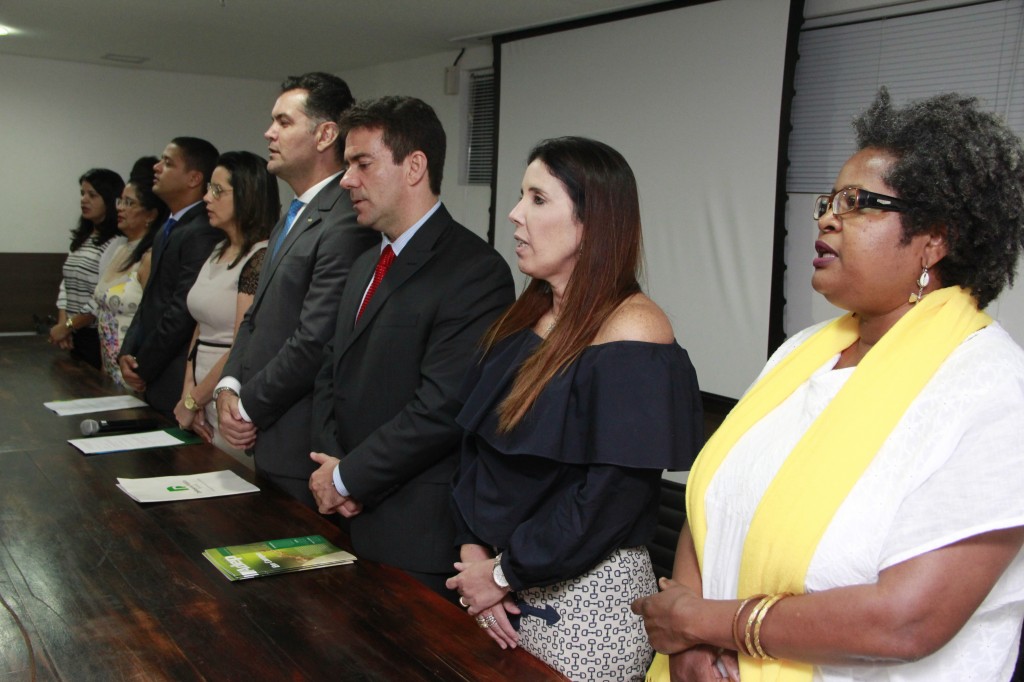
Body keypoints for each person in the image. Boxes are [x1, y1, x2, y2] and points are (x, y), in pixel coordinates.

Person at [632, 88, 1024, 682]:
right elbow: (712, 501)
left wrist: (706, 623)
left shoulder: (992, 389)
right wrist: (687, 643)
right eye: (828, 201)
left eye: (857, 203)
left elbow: (906, 621)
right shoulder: (802, 354)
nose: (826, 218)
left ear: (934, 238)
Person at [444, 137, 703, 681]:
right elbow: (475, 447)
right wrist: (475, 555)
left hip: (583, 607)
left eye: (538, 199)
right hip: (497, 586)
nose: (515, 214)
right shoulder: (530, 315)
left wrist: (502, 574)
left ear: (591, 224)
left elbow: (609, 498)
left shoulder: (635, 330)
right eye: (521, 196)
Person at [308, 96, 515, 598]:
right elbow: (331, 372)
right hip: (342, 515)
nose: (346, 180)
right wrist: (333, 471)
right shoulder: (365, 263)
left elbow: (442, 407)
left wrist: (349, 478)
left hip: (415, 534)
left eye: (362, 163)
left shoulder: (475, 271)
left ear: (415, 166)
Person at [214, 72, 377, 499]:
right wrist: (228, 386)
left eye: (284, 122)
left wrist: (247, 407)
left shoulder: (345, 219)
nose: (269, 133)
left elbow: (314, 339)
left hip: (298, 445)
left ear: (325, 135)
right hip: (266, 433)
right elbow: (255, 317)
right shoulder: (295, 212)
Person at [174, 151, 279, 463]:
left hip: (229, 393)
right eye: (209, 188)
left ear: (248, 195)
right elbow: (200, 323)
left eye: (218, 190)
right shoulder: (219, 249)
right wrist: (189, 392)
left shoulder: (260, 257)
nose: (207, 197)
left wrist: (195, 399)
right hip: (199, 391)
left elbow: (241, 345)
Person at [119, 137, 222, 418]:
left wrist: (144, 366)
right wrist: (128, 351)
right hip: (154, 371)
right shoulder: (170, 225)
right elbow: (150, 298)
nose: (156, 167)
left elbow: (181, 311)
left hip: (173, 374)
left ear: (193, 178)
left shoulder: (202, 230)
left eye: (167, 163)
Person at [94, 160, 168, 388]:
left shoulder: (151, 256)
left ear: (150, 214)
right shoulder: (120, 249)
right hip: (109, 368)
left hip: (133, 372)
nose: (120, 208)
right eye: (120, 201)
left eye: (129, 203)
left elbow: (155, 318)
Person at [50, 168, 125, 369]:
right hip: (74, 332)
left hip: (96, 335)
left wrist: (68, 326)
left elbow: (102, 297)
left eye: (92, 195)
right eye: (82, 193)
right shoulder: (83, 239)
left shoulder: (117, 243)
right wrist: (64, 325)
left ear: (110, 200)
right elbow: (66, 285)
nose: (84, 200)